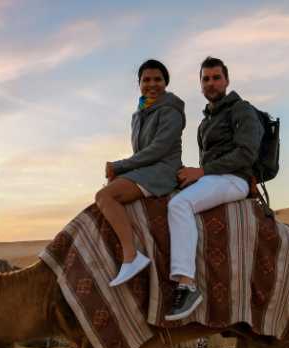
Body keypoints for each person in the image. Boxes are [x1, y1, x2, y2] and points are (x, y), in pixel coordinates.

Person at [165, 57, 264, 321]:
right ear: (200, 84)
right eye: (206, 79)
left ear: (226, 80)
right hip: (215, 178)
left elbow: (246, 153)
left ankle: (187, 285)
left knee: (180, 205)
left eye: (216, 77)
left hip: (234, 178)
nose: (211, 83)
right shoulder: (205, 121)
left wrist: (202, 172)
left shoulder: (241, 109)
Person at [97, 59, 186, 287]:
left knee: (106, 196)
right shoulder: (139, 114)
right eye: (146, 80)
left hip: (163, 169)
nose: (152, 84)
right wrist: (121, 170)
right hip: (148, 168)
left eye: (158, 79)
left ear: (166, 82)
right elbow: (142, 152)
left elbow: (158, 149)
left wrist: (120, 166)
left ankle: (131, 255)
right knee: (109, 189)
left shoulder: (171, 110)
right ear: (139, 84)